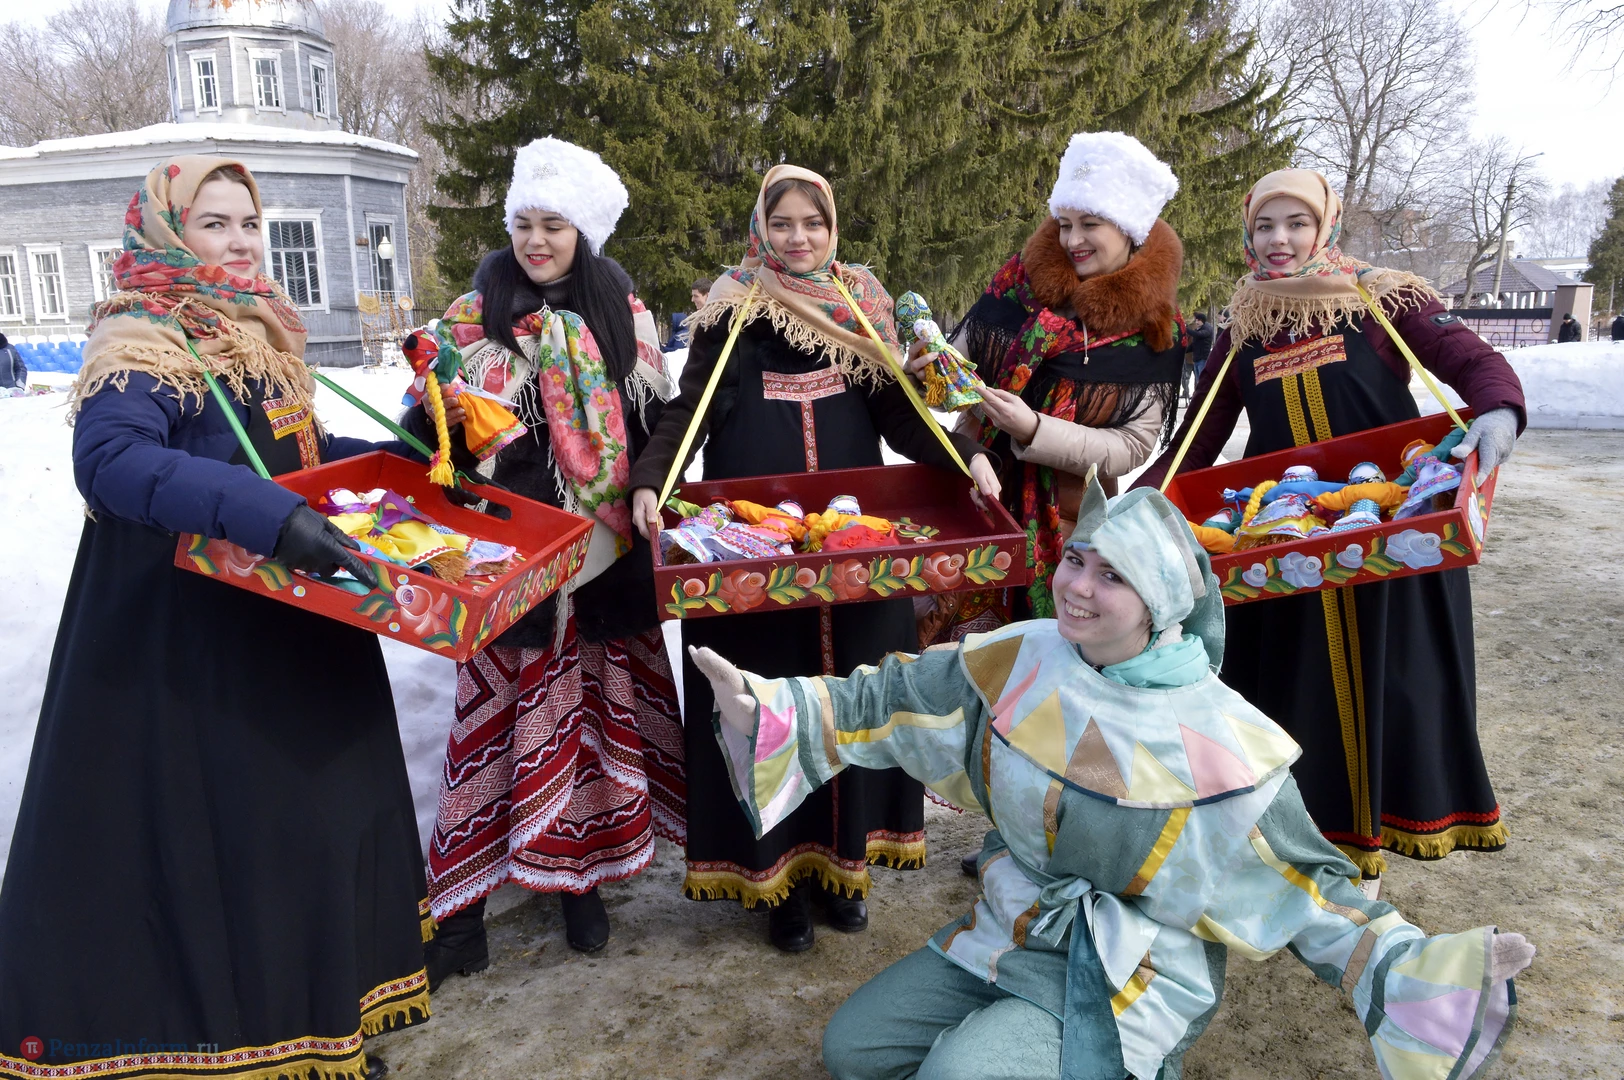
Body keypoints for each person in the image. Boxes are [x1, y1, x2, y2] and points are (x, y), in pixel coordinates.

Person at [690, 472, 1534, 1080]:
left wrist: (1425, 969)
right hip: (1014, 924)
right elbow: (895, 696)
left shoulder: (1223, 744)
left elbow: (1314, 891)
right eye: (1077, 561)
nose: (1078, 589)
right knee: (853, 1051)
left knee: (955, 1074)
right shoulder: (1019, 657)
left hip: (1135, 969)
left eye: (1112, 575)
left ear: (1161, 601)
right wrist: (770, 706)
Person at [0, 157, 427, 1080]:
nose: (239, 242)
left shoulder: (254, 327)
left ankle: (322, 1023)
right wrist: (270, 515)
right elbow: (111, 464)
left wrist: (411, 459)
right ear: (166, 231)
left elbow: (300, 452)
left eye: (249, 224)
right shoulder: (139, 337)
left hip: (292, 617)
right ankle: (238, 1044)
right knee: (239, 842)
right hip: (194, 638)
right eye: (214, 223)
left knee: (314, 824)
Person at [626, 164, 1000, 953]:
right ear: (761, 230)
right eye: (783, 223)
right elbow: (689, 412)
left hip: (855, 556)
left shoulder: (859, 310)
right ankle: (780, 886)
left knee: (853, 698)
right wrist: (653, 480)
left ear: (833, 229)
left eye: (813, 223)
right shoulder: (733, 310)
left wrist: (966, 457)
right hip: (753, 555)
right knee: (767, 700)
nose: (799, 238)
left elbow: (903, 414)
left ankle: (844, 868)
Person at [1137, 169, 1526, 889]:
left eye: (1296, 224)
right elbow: (1198, 437)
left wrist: (1499, 410)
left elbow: (1473, 361)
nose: (1279, 240)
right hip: (1283, 547)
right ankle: (1297, 855)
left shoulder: (1383, 298)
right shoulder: (1246, 324)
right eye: (1264, 226)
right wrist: (1140, 504)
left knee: (1392, 688)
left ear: (1326, 227)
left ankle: (1368, 866)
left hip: (1390, 536)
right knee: (1297, 698)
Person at [417, 138, 685, 984]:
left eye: (554, 226)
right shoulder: (471, 318)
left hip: (601, 560)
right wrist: (440, 402)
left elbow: (662, 423)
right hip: (508, 562)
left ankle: (582, 885)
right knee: (488, 729)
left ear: (584, 233)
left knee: (591, 724)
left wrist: (649, 487)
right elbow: (427, 439)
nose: (536, 241)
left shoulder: (623, 315)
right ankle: (459, 917)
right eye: (524, 223)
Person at [916, 132, 1184, 645]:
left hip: (1072, 525)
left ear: (1128, 228)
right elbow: (956, 369)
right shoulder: (1013, 288)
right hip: (976, 497)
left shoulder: (1152, 327)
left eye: (1090, 224)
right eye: (1064, 224)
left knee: (1049, 657)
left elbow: (1133, 444)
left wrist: (1036, 430)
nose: (1072, 239)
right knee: (963, 656)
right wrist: (926, 368)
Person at [666, 277, 713, 352]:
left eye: (696, 296)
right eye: (692, 296)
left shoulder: (716, 320)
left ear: (707, 296)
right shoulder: (701, 319)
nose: (692, 300)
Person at [1188, 310, 1214, 380]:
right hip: (1196, 359)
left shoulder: (1207, 328)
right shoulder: (1198, 329)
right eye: (1196, 320)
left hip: (1203, 359)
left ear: (1202, 320)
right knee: (1198, 380)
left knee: (1202, 379)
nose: (1196, 322)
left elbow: (1198, 335)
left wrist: (1186, 329)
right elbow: (1194, 344)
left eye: (1198, 320)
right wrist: (1184, 350)